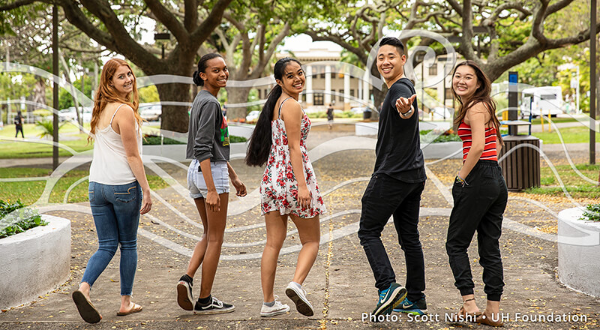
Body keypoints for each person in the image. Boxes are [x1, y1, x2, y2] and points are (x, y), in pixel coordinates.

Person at [72, 58, 152, 323]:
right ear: (109, 82)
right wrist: (147, 190)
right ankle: (125, 302)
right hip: (122, 187)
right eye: (121, 76)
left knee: (106, 245)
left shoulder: (100, 109)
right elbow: (133, 156)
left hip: (97, 186)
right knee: (128, 244)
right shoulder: (124, 111)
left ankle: (84, 288)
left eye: (130, 74)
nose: (128, 79)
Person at [246, 57, 326, 318]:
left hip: (273, 178)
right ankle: (296, 284)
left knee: (273, 244)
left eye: (300, 73)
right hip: (292, 178)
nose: (298, 78)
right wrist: (303, 187)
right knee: (312, 240)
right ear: (279, 81)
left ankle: (268, 303)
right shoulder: (291, 105)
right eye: (290, 76)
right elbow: (294, 147)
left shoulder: (276, 104)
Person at [357, 37, 427, 319]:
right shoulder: (402, 87)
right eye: (380, 57)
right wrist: (405, 110)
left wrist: (406, 110)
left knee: (367, 230)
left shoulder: (400, 89)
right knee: (410, 238)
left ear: (403, 59)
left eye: (391, 57)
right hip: (413, 174)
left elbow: (406, 111)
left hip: (393, 173)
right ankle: (417, 299)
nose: (385, 61)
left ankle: (387, 286)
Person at [176, 53, 247, 315]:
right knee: (216, 237)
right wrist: (214, 189)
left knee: (208, 233)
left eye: (225, 69)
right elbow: (204, 147)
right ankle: (205, 300)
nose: (223, 74)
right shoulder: (211, 104)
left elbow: (211, 146)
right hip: (208, 173)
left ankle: (187, 279)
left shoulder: (202, 100)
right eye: (216, 70)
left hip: (197, 170)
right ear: (203, 75)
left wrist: (233, 175)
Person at [446, 60, 507, 327]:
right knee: (489, 246)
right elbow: (497, 145)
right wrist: (490, 176)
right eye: (457, 76)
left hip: (479, 177)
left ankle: (469, 303)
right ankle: (492, 312)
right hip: (495, 178)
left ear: (479, 82)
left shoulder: (476, 106)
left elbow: (479, 146)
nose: (461, 81)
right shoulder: (483, 107)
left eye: (468, 77)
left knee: (455, 243)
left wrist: (461, 177)